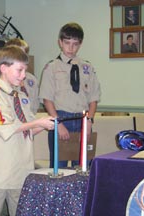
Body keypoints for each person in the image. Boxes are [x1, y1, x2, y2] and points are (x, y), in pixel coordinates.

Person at [0, 45, 54, 216]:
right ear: (3, 68)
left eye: (25, 70)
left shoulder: (21, 97)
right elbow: (7, 127)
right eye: (19, 70)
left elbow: (26, 131)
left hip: (19, 171)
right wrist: (37, 122)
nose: (24, 75)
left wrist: (44, 124)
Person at [39, 22, 101, 168]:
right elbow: (47, 99)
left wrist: (89, 121)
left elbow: (93, 98)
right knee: (58, 168)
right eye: (67, 43)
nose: (71, 48)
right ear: (60, 42)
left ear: (80, 44)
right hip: (61, 119)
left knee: (82, 167)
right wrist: (58, 123)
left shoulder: (87, 67)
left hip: (83, 120)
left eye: (75, 44)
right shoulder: (51, 67)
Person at [5, 38, 40, 114]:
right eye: (18, 55)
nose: (22, 58)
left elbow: (35, 105)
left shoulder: (32, 79)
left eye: (24, 54)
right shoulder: (3, 80)